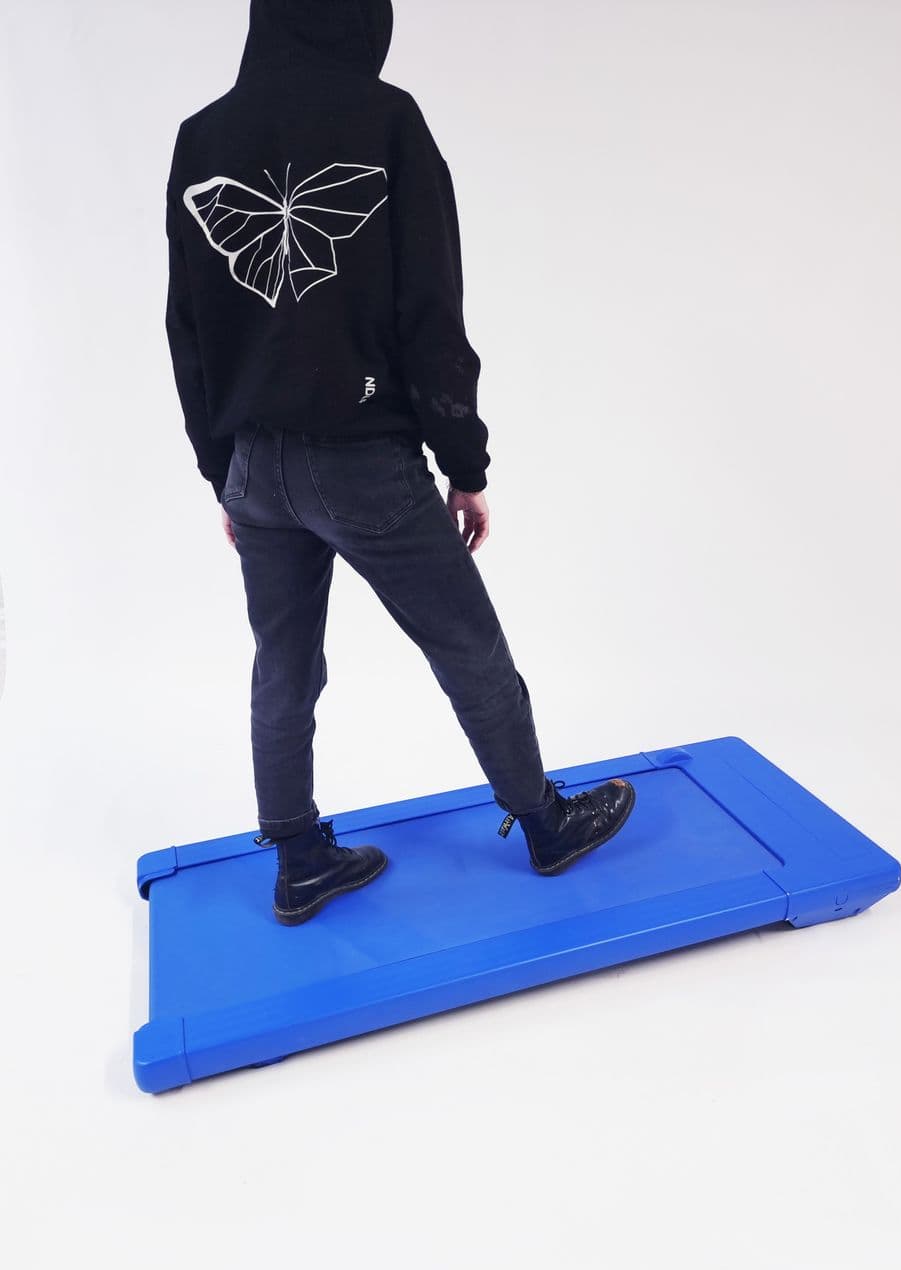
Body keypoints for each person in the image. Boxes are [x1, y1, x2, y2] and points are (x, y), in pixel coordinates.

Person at [163, 0, 635, 925]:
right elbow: (430, 310)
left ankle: (299, 859)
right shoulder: (386, 121)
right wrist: (465, 462)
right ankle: (547, 823)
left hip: (255, 463)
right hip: (363, 459)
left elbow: (187, 324)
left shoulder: (200, 137)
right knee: (466, 643)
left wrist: (222, 468)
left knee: (283, 664)